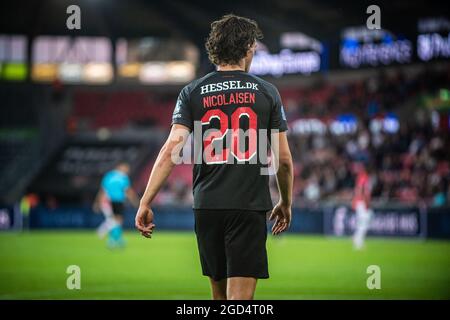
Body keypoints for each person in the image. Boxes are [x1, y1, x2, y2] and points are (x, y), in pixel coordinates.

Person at [135, 14, 294, 300]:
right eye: (254, 46)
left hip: (207, 206)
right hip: (248, 207)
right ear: (247, 47)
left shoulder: (191, 92)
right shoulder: (268, 93)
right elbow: (283, 160)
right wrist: (285, 201)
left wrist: (145, 201)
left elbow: (171, 150)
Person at [94, 162, 139, 248]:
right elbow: (128, 191)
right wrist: (135, 201)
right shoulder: (123, 177)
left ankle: (115, 238)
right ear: (120, 167)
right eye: (126, 168)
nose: (127, 171)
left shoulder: (108, 176)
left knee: (114, 220)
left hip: (107, 202)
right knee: (117, 220)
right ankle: (112, 238)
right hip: (116, 200)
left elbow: (102, 191)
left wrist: (97, 202)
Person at [352, 163, 373, 250]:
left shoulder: (363, 177)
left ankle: (357, 239)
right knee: (363, 222)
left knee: (364, 221)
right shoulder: (363, 177)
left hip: (360, 202)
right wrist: (366, 201)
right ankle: (358, 241)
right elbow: (361, 190)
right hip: (361, 202)